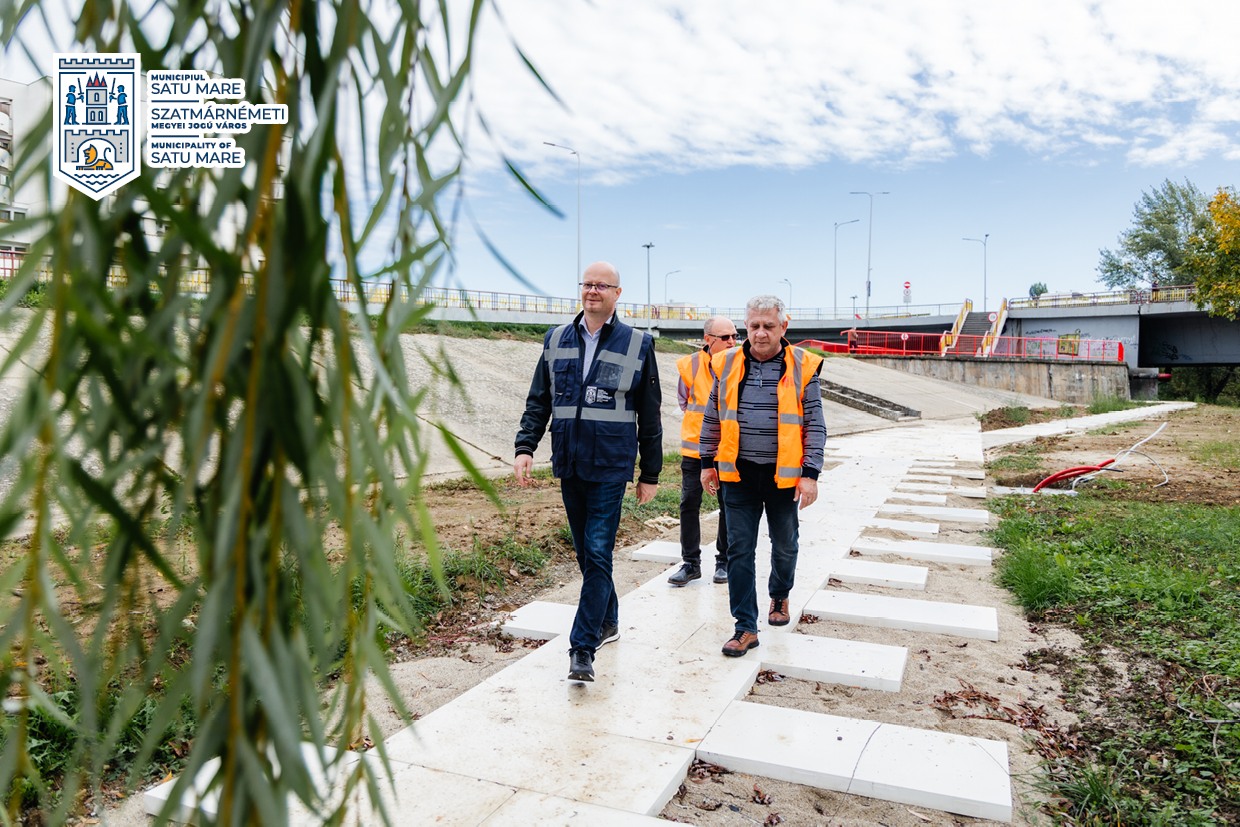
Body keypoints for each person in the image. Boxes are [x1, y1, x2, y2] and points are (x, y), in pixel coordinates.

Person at [514, 262, 663, 682]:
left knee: (598, 552)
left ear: (618, 293)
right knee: (586, 553)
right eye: (588, 284)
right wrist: (525, 447)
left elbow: (649, 415)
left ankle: (583, 647)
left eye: (602, 285)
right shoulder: (556, 339)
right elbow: (538, 400)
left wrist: (649, 473)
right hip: (570, 461)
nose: (593, 290)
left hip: (612, 465)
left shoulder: (639, 344)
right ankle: (610, 618)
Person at [699, 294, 826, 657]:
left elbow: (815, 425)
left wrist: (811, 473)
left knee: (785, 545)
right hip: (738, 475)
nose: (760, 333)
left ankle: (780, 594)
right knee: (739, 550)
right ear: (746, 328)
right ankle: (744, 627)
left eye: (768, 326)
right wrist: (707, 463)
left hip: (783, 479)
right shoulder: (725, 364)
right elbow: (712, 418)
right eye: (754, 326)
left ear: (784, 327)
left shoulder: (803, 366)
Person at [667, 316, 737, 587]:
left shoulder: (740, 363)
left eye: (734, 336)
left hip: (728, 450)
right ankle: (690, 564)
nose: (732, 341)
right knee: (688, 504)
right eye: (725, 337)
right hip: (695, 450)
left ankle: (724, 562)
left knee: (727, 506)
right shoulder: (690, 366)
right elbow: (685, 403)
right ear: (708, 340)